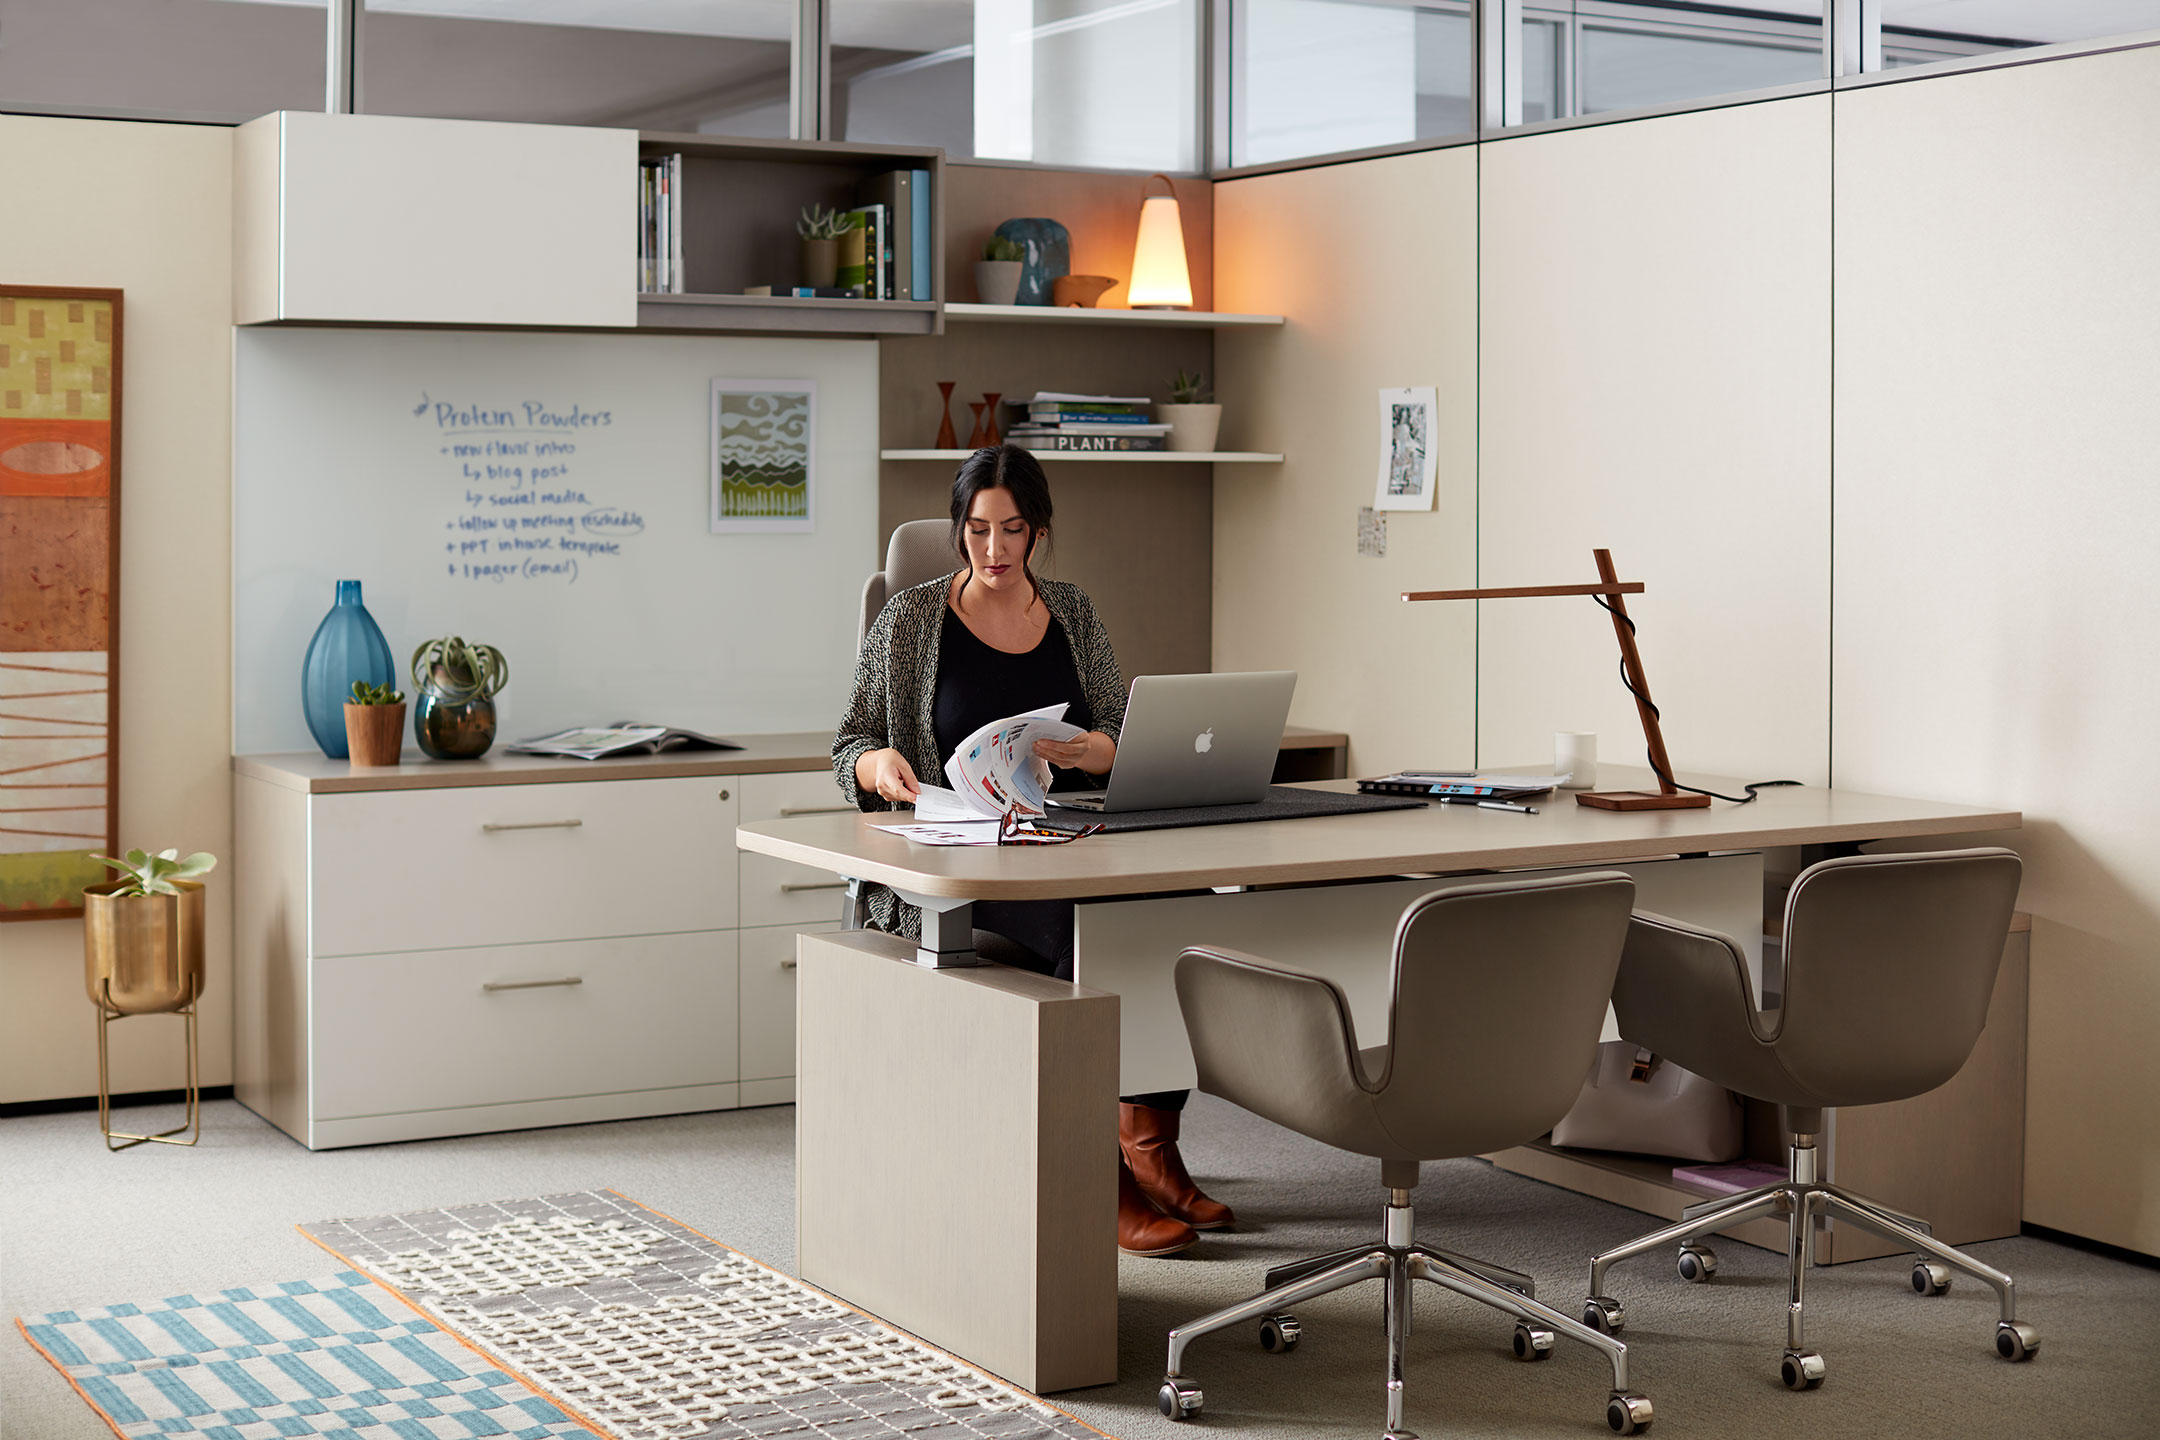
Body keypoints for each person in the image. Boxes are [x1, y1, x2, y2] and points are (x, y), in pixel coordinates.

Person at [833, 443, 1234, 1258]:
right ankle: (1100, 1171)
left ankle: (1150, 1143)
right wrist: (877, 765)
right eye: (977, 530)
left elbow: (1122, 730)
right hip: (960, 854)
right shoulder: (910, 620)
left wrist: (1094, 751)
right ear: (958, 531)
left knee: (1160, 919)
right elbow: (850, 743)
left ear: (1037, 532)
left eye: (1010, 531)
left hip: (1065, 837)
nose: (992, 550)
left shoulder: (1074, 613)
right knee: (1090, 937)